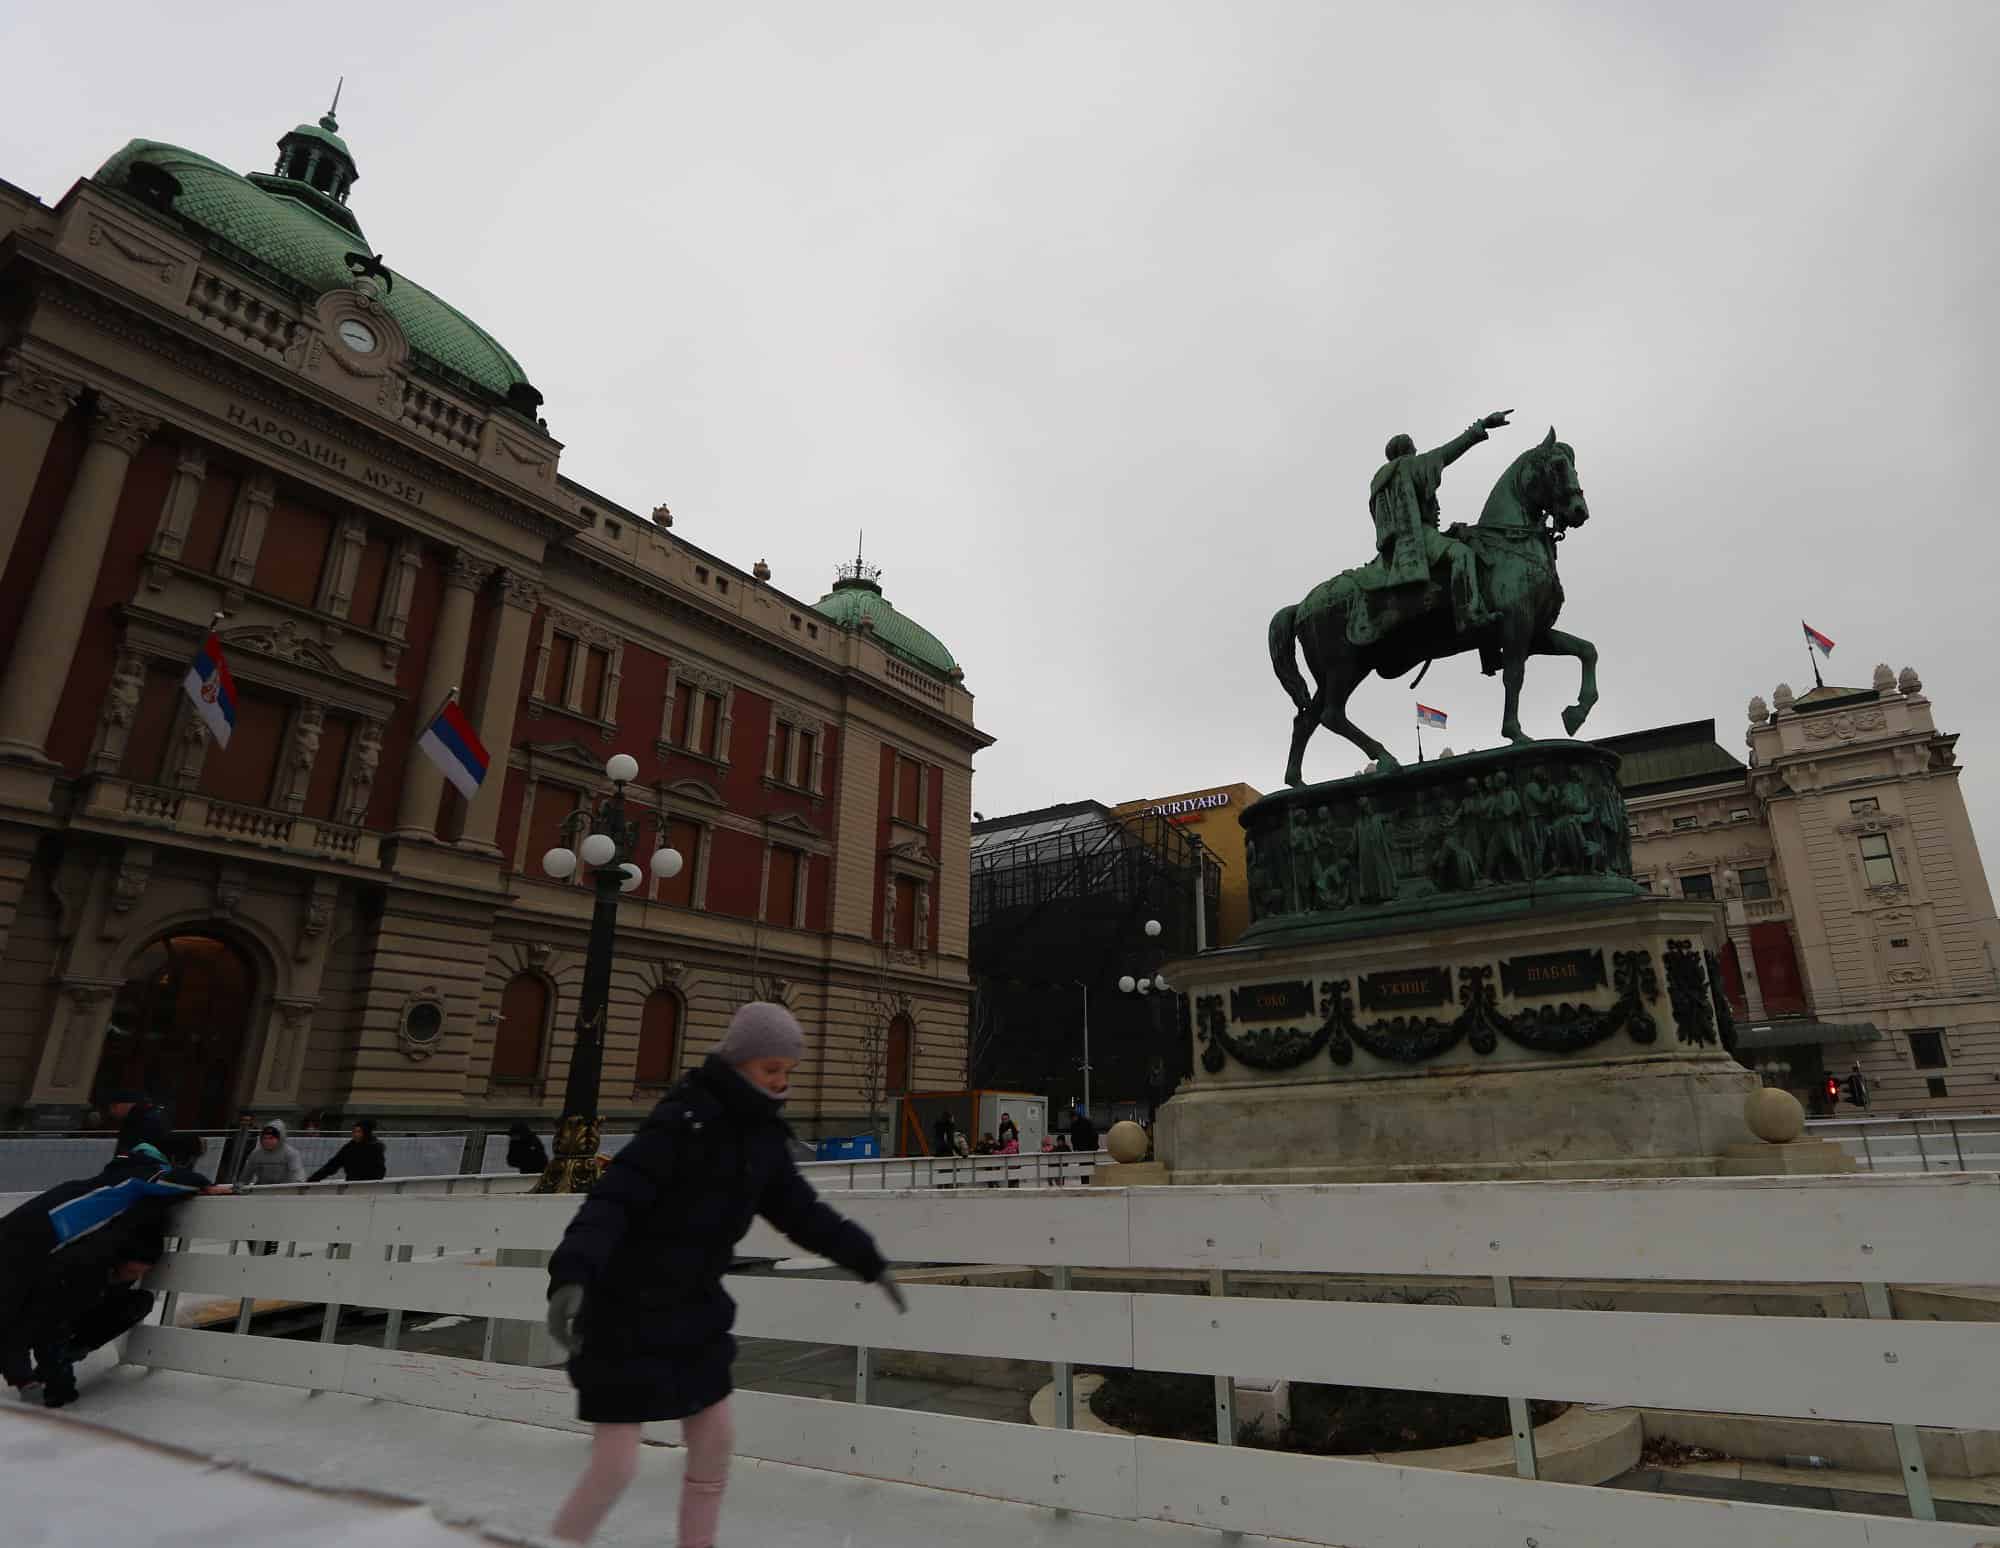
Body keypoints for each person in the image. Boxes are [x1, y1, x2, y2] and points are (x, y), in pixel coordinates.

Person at [543, 1002, 904, 1547]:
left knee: (715, 1442)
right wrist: (572, 1276)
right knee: (616, 1463)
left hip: (693, 1312)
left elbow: (802, 1213)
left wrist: (866, 1257)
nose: (782, 1081)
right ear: (738, 1063)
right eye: (770, 1069)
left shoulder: (763, 1139)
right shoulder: (682, 1120)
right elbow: (612, 1202)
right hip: (624, 1309)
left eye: (788, 1070)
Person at [1, 1142, 223, 1407]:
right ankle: (35, 1383)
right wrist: (204, 1184)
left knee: (11, 1311)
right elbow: (168, 1180)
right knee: (19, 1312)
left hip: (22, 1240)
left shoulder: (100, 1183)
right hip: (29, 1244)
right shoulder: (133, 1177)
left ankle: (28, 1381)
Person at [309, 1117, 388, 1182]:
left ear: (366, 1133)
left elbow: (380, 1170)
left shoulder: (375, 1147)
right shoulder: (349, 1148)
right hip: (351, 1184)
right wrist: (313, 1179)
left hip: (368, 1186)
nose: (355, 1134)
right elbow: (333, 1165)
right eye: (354, 1132)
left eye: (359, 1132)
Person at [103, 1089, 169, 1160]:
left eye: (113, 1107)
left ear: (122, 1105)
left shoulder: (136, 1119)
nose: (112, 1112)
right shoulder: (151, 1114)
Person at [217, 1111, 258, 1184]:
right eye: (243, 1120)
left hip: (244, 1160)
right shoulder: (233, 1130)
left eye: (247, 1121)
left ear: (251, 1122)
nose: (245, 1123)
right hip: (230, 1159)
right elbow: (227, 1144)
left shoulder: (254, 1133)